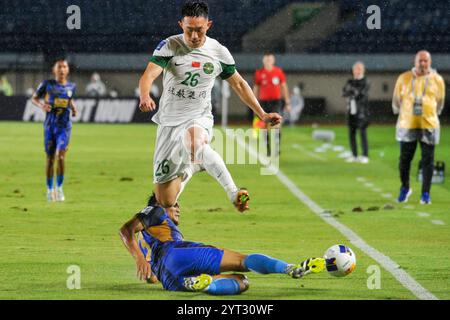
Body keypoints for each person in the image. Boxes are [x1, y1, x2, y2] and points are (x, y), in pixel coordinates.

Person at [138, 1, 282, 211]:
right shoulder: (170, 46)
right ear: (181, 25)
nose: (194, 36)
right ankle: (193, 166)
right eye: (189, 30)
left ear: (209, 25)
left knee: (194, 141)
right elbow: (149, 74)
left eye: (199, 30)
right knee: (165, 200)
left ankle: (233, 192)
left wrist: (262, 114)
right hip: (168, 122)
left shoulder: (218, 52)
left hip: (198, 117)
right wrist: (145, 95)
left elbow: (239, 84)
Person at [119, 194, 326, 295]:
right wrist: (138, 259)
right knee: (242, 261)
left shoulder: (149, 238)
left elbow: (152, 277)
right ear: (162, 201)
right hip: (177, 254)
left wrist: (144, 263)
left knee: (243, 282)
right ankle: (290, 268)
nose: (178, 208)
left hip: (170, 280)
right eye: (175, 204)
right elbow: (125, 230)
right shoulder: (156, 210)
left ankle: (208, 284)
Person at [393, 50, 446, 204]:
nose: (423, 64)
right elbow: (396, 101)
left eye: (425, 61)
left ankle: (425, 194)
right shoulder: (404, 78)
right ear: (415, 62)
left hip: (429, 125)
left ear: (430, 62)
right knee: (404, 160)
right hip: (407, 125)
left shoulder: (437, 79)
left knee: (427, 161)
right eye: (420, 61)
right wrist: (405, 113)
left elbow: (440, 102)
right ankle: (405, 187)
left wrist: (430, 113)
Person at [31, 59, 77, 202]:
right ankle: (50, 190)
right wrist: (41, 106)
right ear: (54, 70)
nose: (62, 70)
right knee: (50, 159)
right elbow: (34, 98)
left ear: (68, 70)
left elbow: (69, 99)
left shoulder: (71, 86)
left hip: (64, 126)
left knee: (61, 157)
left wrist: (73, 108)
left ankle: (60, 188)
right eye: (59, 67)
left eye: (64, 67)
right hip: (50, 126)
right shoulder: (47, 84)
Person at [253, 53, 290, 156]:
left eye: (270, 59)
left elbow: (284, 87)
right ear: (263, 61)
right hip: (263, 103)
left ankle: (276, 148)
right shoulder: (259, 73)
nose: (268, 61)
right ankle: (268, 149)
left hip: (276, 102)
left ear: (273, 61)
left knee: (276, 125)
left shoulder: (278, 72)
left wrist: (287, 102)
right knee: (263, 127)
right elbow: (256, 89)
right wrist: (254, 104)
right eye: (266, 59)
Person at [342, 62, 370, 164]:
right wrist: (352, 91)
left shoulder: (365, 81)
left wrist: (353, 91)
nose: (357, 71)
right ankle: (354, 155)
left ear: (363, 70)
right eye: (355, 69)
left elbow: (360, 94)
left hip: (362, 111)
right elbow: (344, 92)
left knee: (362, 133)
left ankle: (365, 155)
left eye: (359, 69)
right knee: (351, 133)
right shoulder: (350, 81)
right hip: (351, 110)